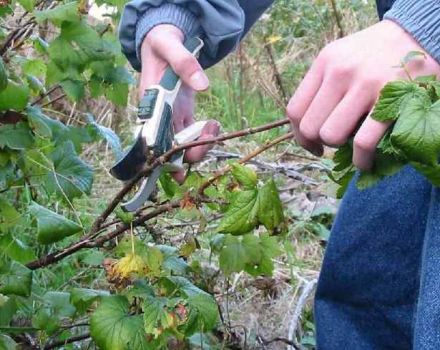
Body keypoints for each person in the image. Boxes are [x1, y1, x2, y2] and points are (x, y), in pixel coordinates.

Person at [118, 1, 440, 348]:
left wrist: (426, 26)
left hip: (417, 62)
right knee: (363, 303)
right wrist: (179, 15)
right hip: (409, 101)